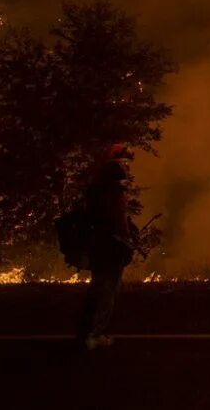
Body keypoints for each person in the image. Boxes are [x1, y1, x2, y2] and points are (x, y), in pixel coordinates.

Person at [75, 144, 138, 350]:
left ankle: (86, 332)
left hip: (99, 246)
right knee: (108, 289)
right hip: (111, 246)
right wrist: (127, 240)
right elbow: (119, 220)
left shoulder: (97, 190)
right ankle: (95, 334)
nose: (127, 170)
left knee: (98, 287)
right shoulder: (114, 191)